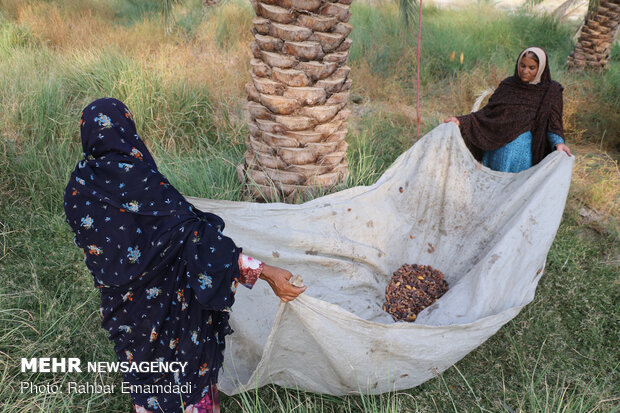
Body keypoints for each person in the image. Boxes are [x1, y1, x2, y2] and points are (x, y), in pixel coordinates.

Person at [64, 98, 306, 413]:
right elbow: (198, 240)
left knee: (146, 383)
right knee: (189, 387)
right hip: (172, 315)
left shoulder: (78, 189)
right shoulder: (140, 181)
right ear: (127, 130)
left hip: (125, 314)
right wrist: (268, 273)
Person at [445, 46, 572, 173]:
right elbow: (488, 112)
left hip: (523, 155)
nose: (525, 71)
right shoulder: (508, 85)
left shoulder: (551, 91)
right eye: (522, 65)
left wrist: (558, 143)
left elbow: (553, 123)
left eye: (531, 68)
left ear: (541, 69)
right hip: (495, 147)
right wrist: (462, 120)